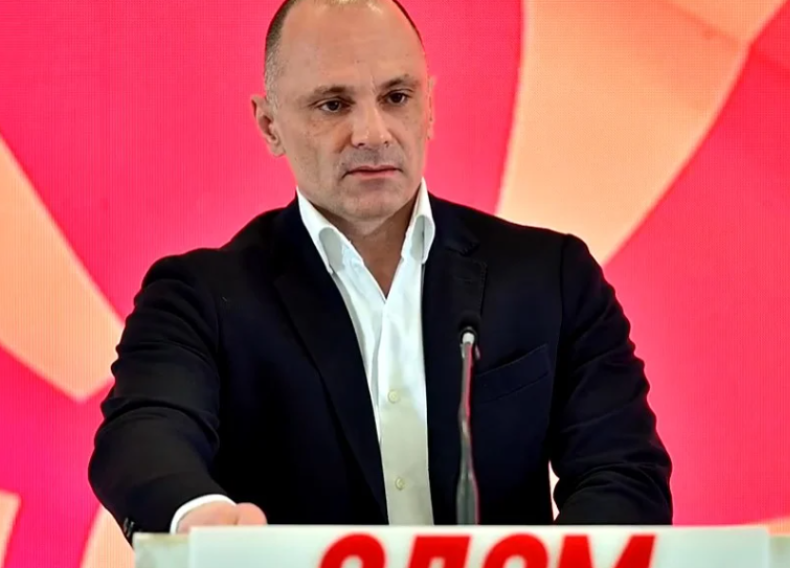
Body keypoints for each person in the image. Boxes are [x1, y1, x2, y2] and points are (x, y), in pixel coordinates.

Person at [88, 0, 673, 544]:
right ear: (269, 125)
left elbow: (622, 472)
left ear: (430, 107)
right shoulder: (198, 298)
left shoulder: (552, 277)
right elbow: (145, 433)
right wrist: (199, 519)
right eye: (333, 104)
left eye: (396, 96)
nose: (372, 132)